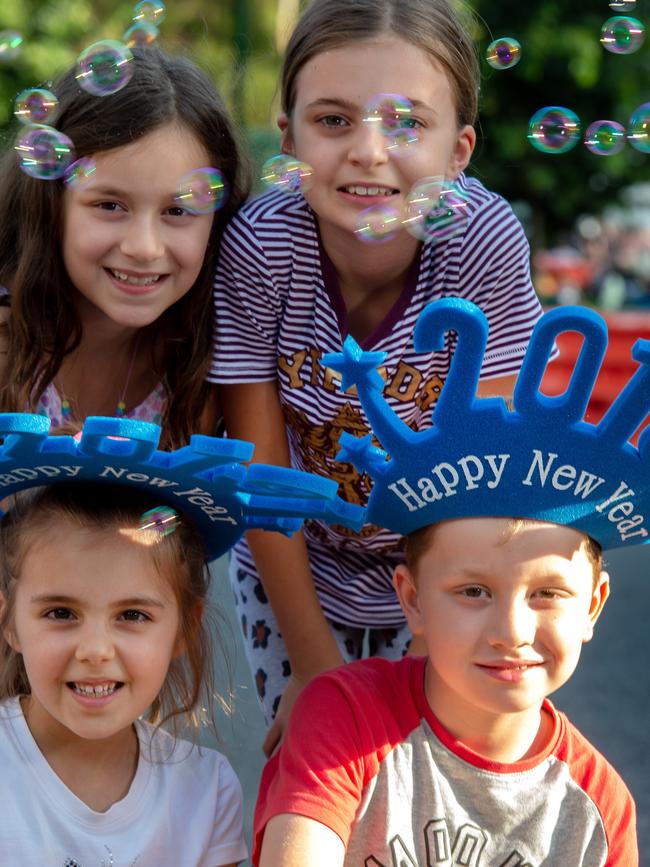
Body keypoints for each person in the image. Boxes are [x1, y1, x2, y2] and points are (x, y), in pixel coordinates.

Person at [210, 0, 547, 751]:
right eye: (333, 121)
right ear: (290, 135)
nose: (368, 152)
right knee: (320, 760)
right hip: (294, 561)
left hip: (442, 559)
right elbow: (259, 467)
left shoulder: (482, 241)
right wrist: (317, 662)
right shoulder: (263, 244)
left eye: (406, 124)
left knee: (422, 769)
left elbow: (482, 470)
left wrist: (433, 651)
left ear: (458, 151)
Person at [253, 516, 638, 866]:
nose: (512, 634)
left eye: (548, 593)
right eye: (474, 591)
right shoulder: (342, 715)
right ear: (413, 599)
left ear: (592, 605)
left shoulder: (600, 809)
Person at [0, 45, 250, 447]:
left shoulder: (201, 362)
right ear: (49, 204)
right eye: (110, 205)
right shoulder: (7, 344)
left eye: (178, 211)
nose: (144, 247)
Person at [0, 481, 248, 866]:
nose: (95, 651)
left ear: (184, 628)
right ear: (9, 620)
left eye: (132, 615)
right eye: (61, 613)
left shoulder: (206, 791)